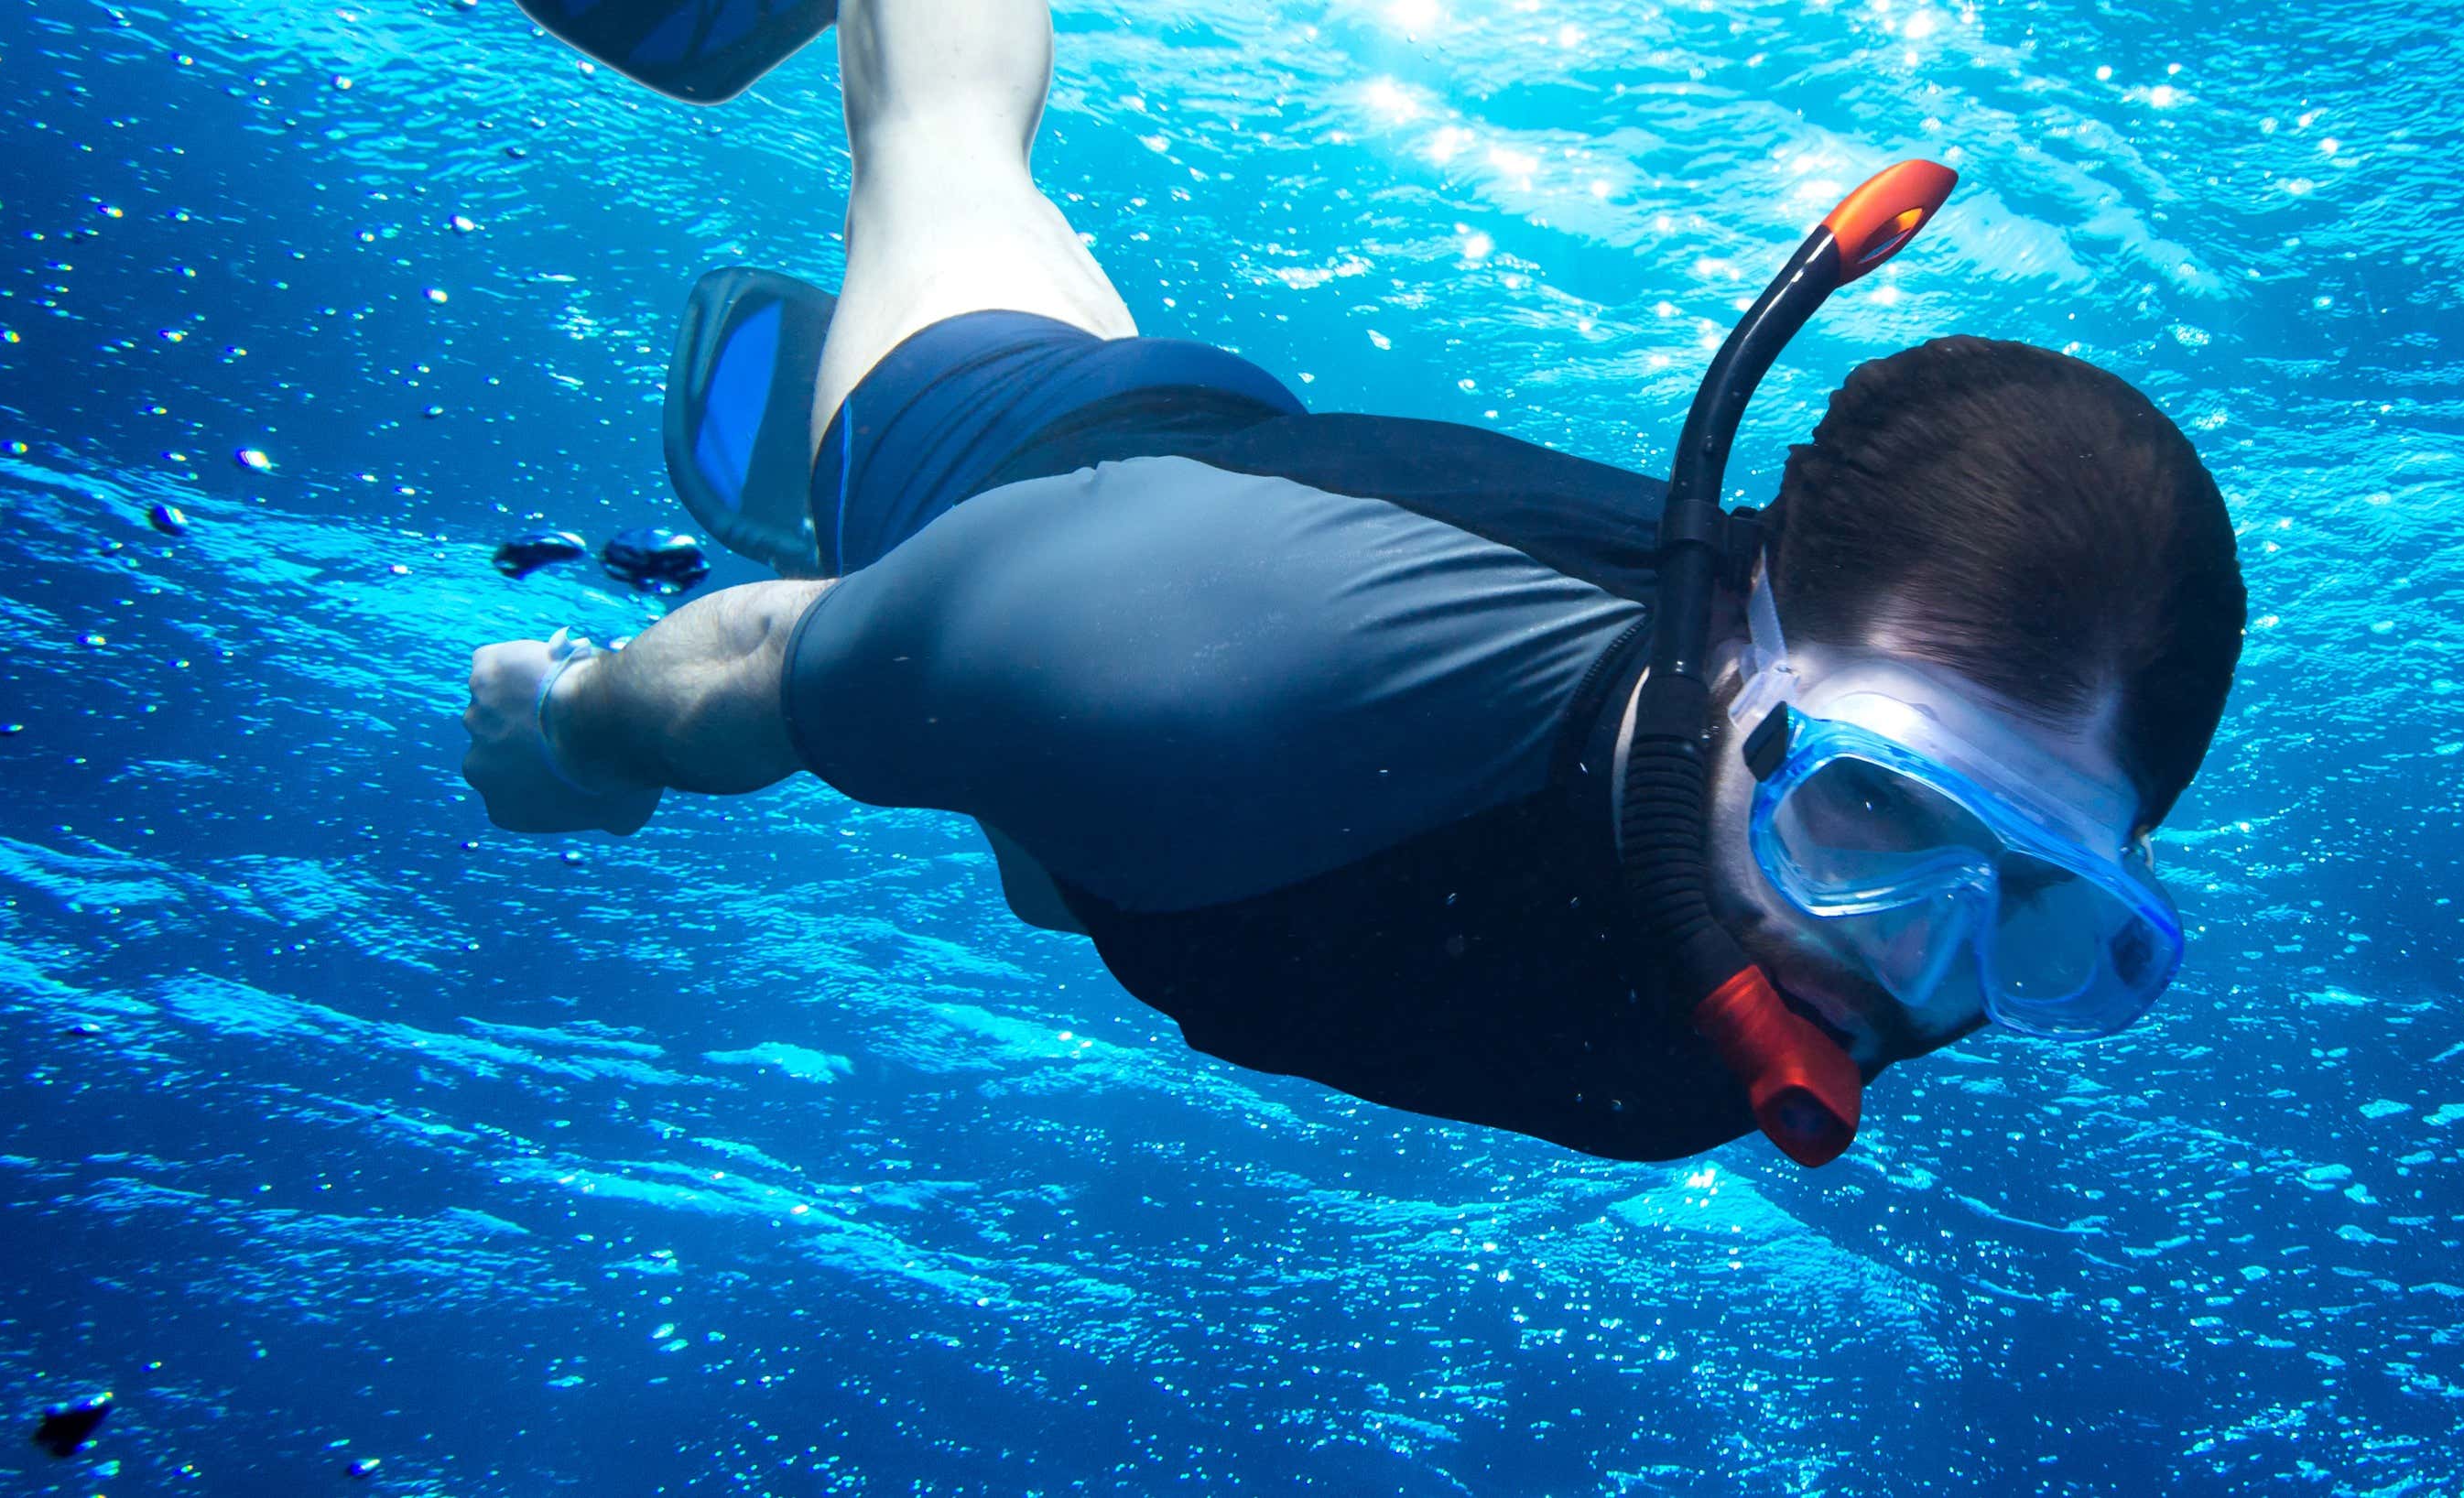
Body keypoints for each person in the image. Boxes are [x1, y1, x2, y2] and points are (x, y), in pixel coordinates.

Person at [461, 0, 2245, 1163]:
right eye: (1866, 808)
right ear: (1732, 642)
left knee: (1057, 858)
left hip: (1218, 760)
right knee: (939, 145)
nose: (1914, 969)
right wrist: (582, 732)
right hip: (1037, 481)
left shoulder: (1885, 921)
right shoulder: (1151, 652)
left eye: (2044, 910)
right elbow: (774, 659)